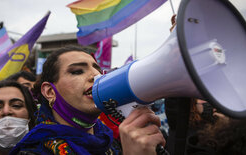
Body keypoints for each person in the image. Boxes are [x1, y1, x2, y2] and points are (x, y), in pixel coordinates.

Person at [11, 46, 165, 155]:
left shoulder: (110, 142)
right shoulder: (34, 151)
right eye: (77, 71)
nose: (96, 76)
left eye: (97, 70)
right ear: (50, 92)